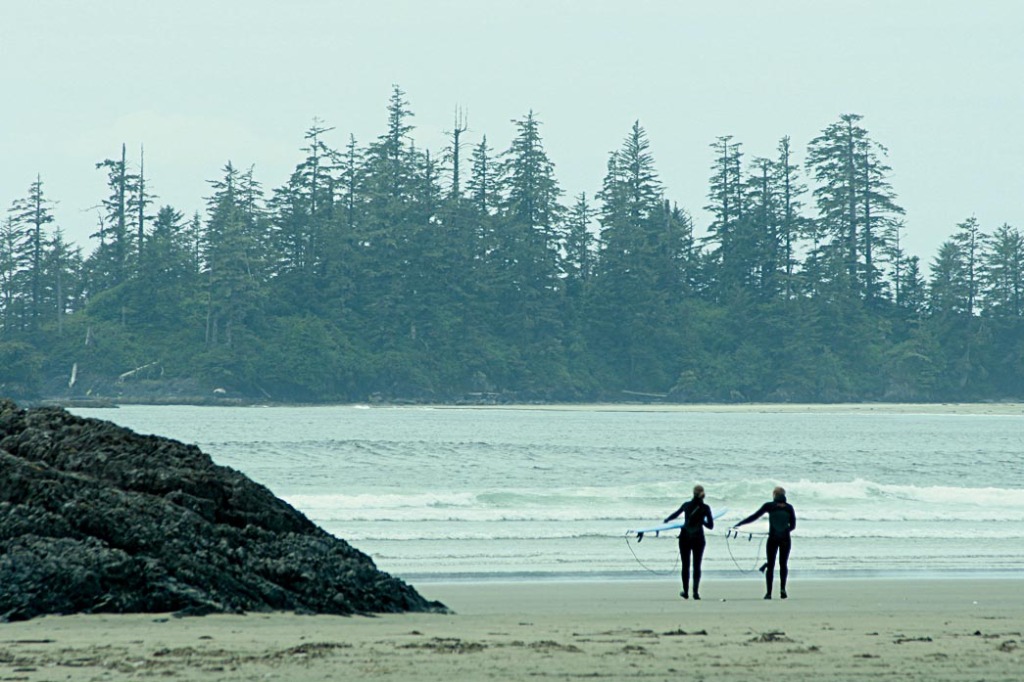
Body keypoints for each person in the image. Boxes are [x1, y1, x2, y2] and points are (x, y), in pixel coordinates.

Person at [734, 486, 796, 600]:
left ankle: (768, 593)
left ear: (774, 495)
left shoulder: (769, 506)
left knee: (771, 565)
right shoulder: (789, 507)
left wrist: (740, 523)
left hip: (773, 538)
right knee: (783, 564)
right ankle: (782, 590)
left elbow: (754, 516)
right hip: (786, 539)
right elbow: (793, 526)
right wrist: (784, 531)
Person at [663, 484, 714, 600]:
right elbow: (711, 526)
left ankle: (685, 592)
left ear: (693, 493)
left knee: (685, 565)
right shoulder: (706, 508)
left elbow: (675, 515)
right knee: (697, 565)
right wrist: (702, 521)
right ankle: (695, 593)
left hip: (685, 538)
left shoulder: (686, 505)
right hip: (698, 539)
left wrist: (666, 521)